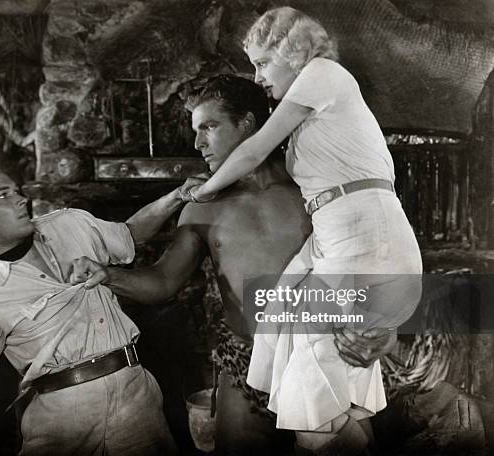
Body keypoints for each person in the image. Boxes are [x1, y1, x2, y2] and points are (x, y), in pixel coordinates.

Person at [69, 75, 400, 455]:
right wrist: (107, 276)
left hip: (322, 356)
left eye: (209, 127)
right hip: (245, 362)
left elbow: (375, 263)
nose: (197, 143)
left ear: (247, 123)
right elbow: (163, 281)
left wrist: (383, 329)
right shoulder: (203, 205)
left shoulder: (312, 188)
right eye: (196, 130)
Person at [181, 7, 423, 454]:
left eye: (262, 63)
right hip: (335, 239)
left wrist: (201, 192)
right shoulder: (313, 118)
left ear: (293, 52)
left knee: (311, 412)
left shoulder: (324, 72)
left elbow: (253, 151)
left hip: (366, 237)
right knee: (293, 339)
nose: (257, 78)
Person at [0, 158, 181, 456]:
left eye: (15, 190)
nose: (21, 199)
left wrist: (178, 196)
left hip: (137, 398)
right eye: (3, 195)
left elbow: (131, 234)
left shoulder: (69, 225)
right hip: (63, 422)